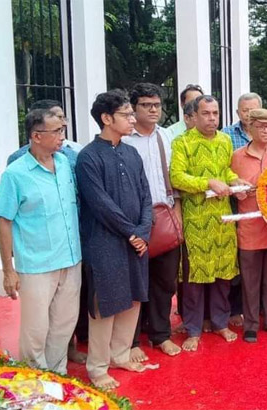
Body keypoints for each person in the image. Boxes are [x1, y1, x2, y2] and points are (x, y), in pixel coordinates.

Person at [0, 108, 81, 374]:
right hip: (36, 264)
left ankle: (57, 374)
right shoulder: (15, 174)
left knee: (64, 323)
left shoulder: (65, 164)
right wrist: (9, 271)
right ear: (36, 136)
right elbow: (4, 222)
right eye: (56, 131)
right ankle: (33, 380)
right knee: (35, 328)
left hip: (71, 258)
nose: (62, 137)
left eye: (62, 130)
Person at [76, 90, 153, 389]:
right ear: (107, 119)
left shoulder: (131, 152)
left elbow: (146, 196)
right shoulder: (88, 158)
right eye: (126, 114)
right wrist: (132, 232)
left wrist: (143, 231)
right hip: (105, 242)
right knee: (105, 303)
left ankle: (121, 354)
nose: (132, 119)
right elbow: (100, 204)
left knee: (133, 298)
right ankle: (97, 367)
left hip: (137, 240)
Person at [170, 95, 249, 350]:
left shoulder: (225, 141)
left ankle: (220, 322)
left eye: (215, 113)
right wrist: (207, 183)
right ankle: (193, 328)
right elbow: (176, 177)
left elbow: (225, 171)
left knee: (223, 276)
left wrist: (234, 181)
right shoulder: (183, 142)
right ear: (193, 115)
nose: (212, 119)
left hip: (223, 219)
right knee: (195, 278)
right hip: (195, 220)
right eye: (206, 113)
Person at [121, 83, 183, 360]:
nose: (154, 110)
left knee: (164, 282)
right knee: (135, 283)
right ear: (134, 108)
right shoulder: (124, 139)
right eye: (147, 105)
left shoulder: (167, 137)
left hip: (166, 216)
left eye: (157, 105)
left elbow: (176, 175)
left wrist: (178, 211)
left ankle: (161, 336)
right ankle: (131, 341)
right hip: (135, 223)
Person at [230, 108, 267, 343]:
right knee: (250, 280)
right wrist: (237, 186)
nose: (266, 131)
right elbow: (231, 189)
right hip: (250, 227)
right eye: (261, 126)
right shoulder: (237, 156)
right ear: (250, 127)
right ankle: (251, 324)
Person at [8, 100, 81, 168]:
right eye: (58, 117)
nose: (63, 123)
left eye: (63, 118)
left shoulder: (73, 153)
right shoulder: (17, 160)